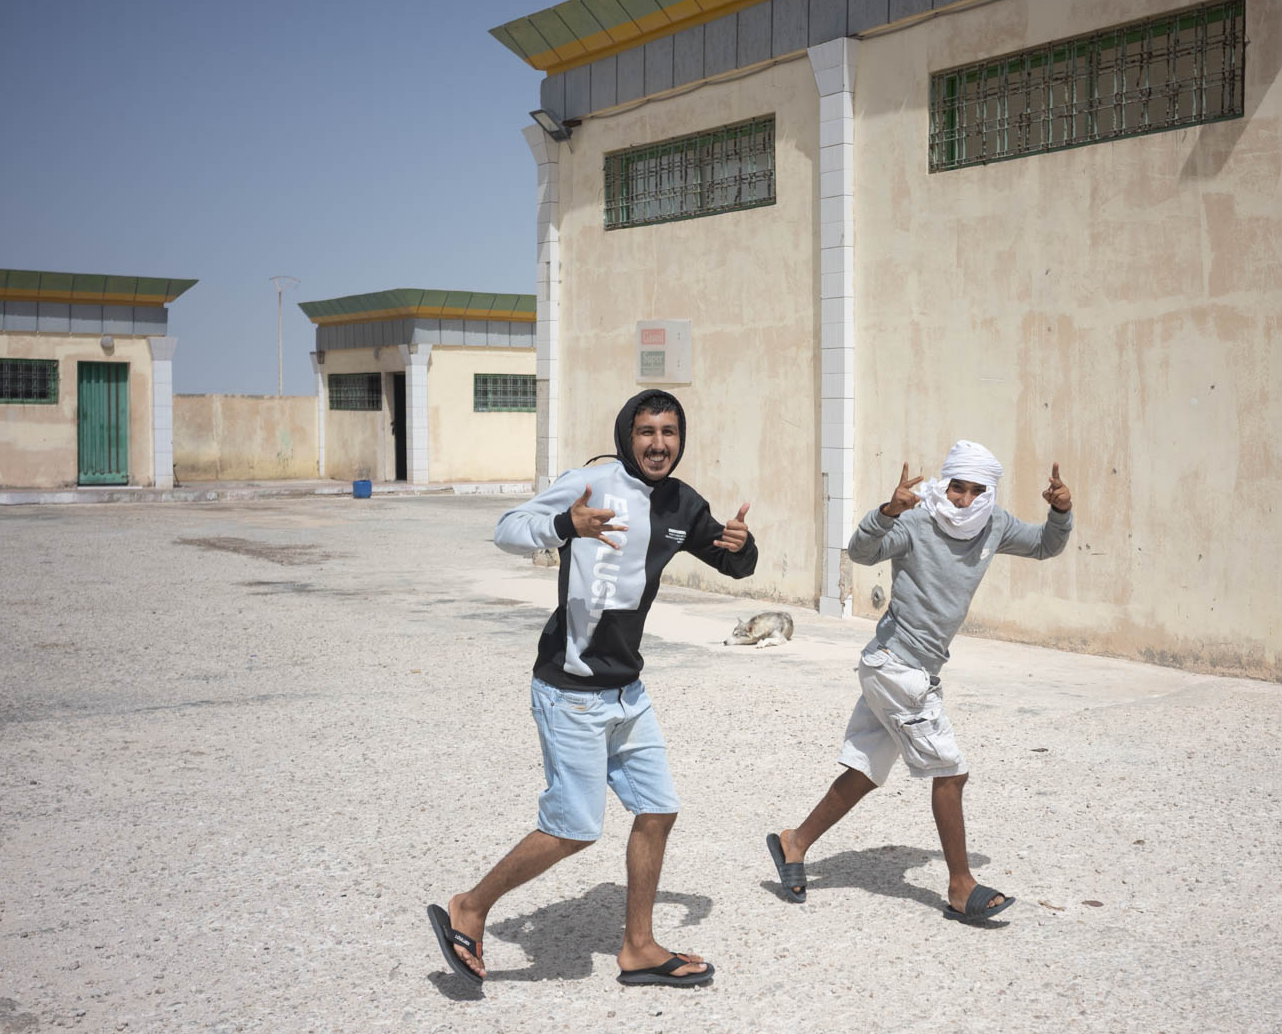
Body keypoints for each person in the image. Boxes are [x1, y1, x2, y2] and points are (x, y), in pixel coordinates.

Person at [429, 389, 757, 987]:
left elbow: (731, 562)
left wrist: (742, 545)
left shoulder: (683, 504)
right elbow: (507, 528)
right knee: (574, 826)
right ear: (626, 437)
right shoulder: (594, 483)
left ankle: (638, 946)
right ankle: (471, 907)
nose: (659, 444)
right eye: (646, 432)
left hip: (628, 691)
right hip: (572, 689)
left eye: (670, 432)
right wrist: (564, 526)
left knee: (658, 810)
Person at [765, 441, 1072, 922]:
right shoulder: (916, 519)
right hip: (895, 665)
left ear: (988, 492)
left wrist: (1062, 511)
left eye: (975, 491)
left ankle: (794, 842)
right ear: (943, 484)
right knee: (951, 771)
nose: (964, 500)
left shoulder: (995, 524)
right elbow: (861, 552)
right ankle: (960, 884)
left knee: (865, 771)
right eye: (957, 488)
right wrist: (887, 511)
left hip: (915, 667)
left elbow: (1045, 546)